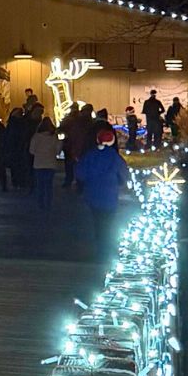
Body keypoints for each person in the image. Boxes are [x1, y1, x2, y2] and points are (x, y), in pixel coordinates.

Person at [76, 123, 131, 263]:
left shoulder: (90, 155)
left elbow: (80, 173)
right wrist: (123, 182)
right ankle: (107, 248)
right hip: (109, 195)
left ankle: (100, 247)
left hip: (93, 194)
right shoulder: (114, 157)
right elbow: (124, 173)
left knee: (97, 222)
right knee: (109, 223)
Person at [59, 101, 94, 187]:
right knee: (74, 164)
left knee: (72, 164)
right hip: (74, 145)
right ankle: (76, 181)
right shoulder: (83, 120)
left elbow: (61, 129)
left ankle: (73, 181)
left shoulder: (76, 120)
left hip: (74, 145)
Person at [30, 116, 61, 211]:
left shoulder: (36, 136)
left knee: (40, 185)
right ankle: (48, 204)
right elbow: (57, 151)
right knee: (48, 185)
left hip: (38, 164)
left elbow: (31, 150)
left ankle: (40, 204)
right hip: (50, 164)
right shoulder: (53, 137)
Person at [4, 107, 32, 191]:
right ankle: (19, 182)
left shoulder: (13, 123)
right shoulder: (19, 123)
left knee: (17, 166)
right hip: (17, 148)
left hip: (16, 148)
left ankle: (18, 182)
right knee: (18, 166)